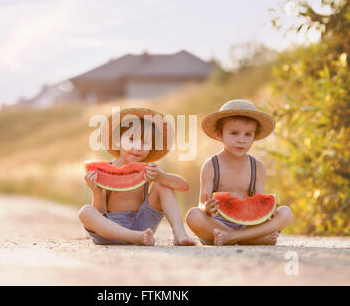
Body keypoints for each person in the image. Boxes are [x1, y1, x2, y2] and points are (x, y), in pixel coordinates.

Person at [79, 107, 195, 246]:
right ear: (118, 141)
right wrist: (96, 191)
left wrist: (160, 176)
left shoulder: (148, 170)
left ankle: (179, 232)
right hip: (110, 229)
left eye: (145, 142)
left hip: (142, 225)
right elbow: (100, 211)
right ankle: (133, 237)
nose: (138, 147)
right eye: (132, 139)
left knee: (163, 185)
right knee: (85, 212)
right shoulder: (106, 170)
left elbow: (184, 186)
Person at [186, 99, 294, 245]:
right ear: (219, 135)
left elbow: (259, 202)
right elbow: (201, 203)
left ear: (254, 137)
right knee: (193, 216)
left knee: (286, 213)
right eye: (234, 133)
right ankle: (251, 238)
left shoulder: (258, 167)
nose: (241, 140)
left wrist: (269, 213)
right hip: (218, 224)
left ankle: (232, 238)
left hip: (249, 224)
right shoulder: (211, 165)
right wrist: (206, 208)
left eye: (248, 134)